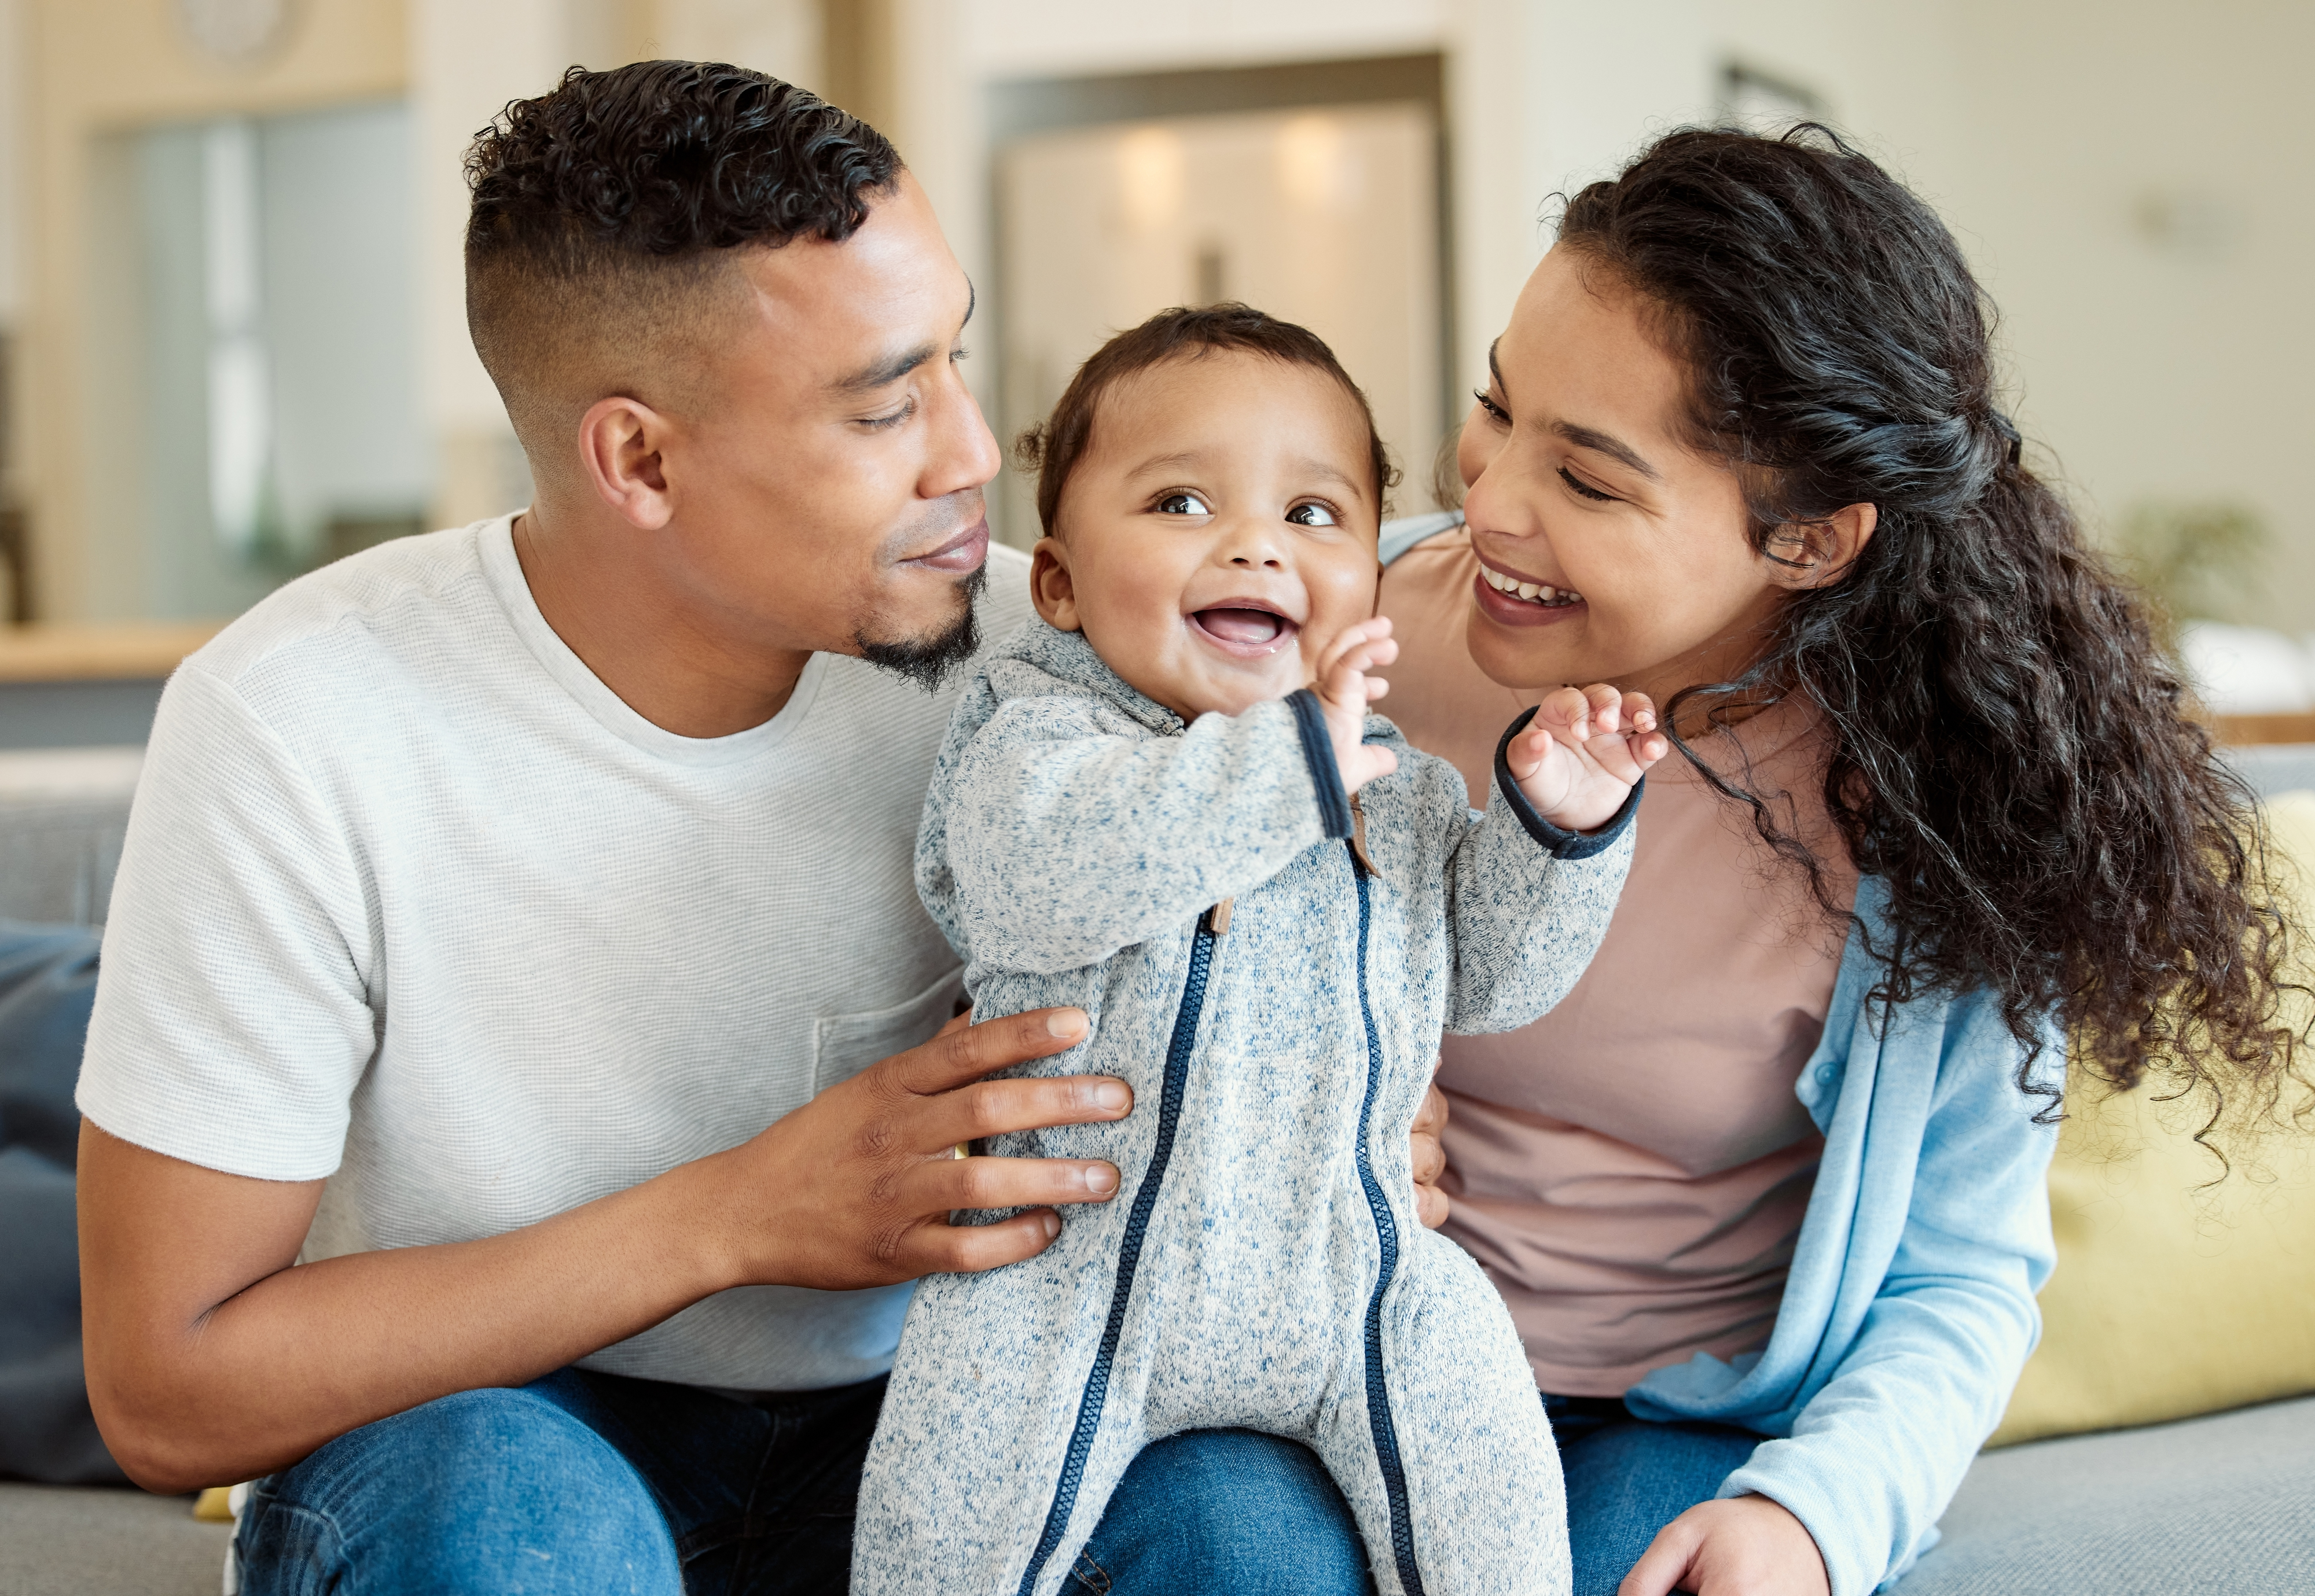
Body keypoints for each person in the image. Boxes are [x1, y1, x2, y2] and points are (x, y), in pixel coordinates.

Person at [72, 63, 1406, 1595]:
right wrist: (737, 1214)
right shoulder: (295, 723)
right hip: (501, 1427)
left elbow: (1364, 779)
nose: (973, 452)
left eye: (956, 359)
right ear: (639, 459)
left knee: (1246, 1526)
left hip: (964, 1398)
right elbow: (164, 1385)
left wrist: (1354, 1094)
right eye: (887, 402)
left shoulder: (1059, 648)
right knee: (496, 1514)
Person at [1376, 126, 2296, 1596]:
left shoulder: (1937, 819)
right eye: (1498, 406)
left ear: (1806, 539)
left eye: (1591, 481)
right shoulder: (1326, 641)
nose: (1488, 500)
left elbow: (1960, 1274)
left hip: (1665, 1419)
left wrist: (1813, 1513)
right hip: (1335, 1348)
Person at [857, 305, 1664, 1596]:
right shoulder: (1035, 736)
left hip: (1353, 1274)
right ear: (1056, 581)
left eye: (1312, 515)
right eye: (1180, 502)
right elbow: (1038, 885)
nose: (1253, 544)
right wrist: (1289, 765)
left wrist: (1557, 825)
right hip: (1062, 1280)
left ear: (1370, 583)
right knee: (938, 1536)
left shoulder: (1392, 789)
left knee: (1494, 1486)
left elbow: (1494, 975)